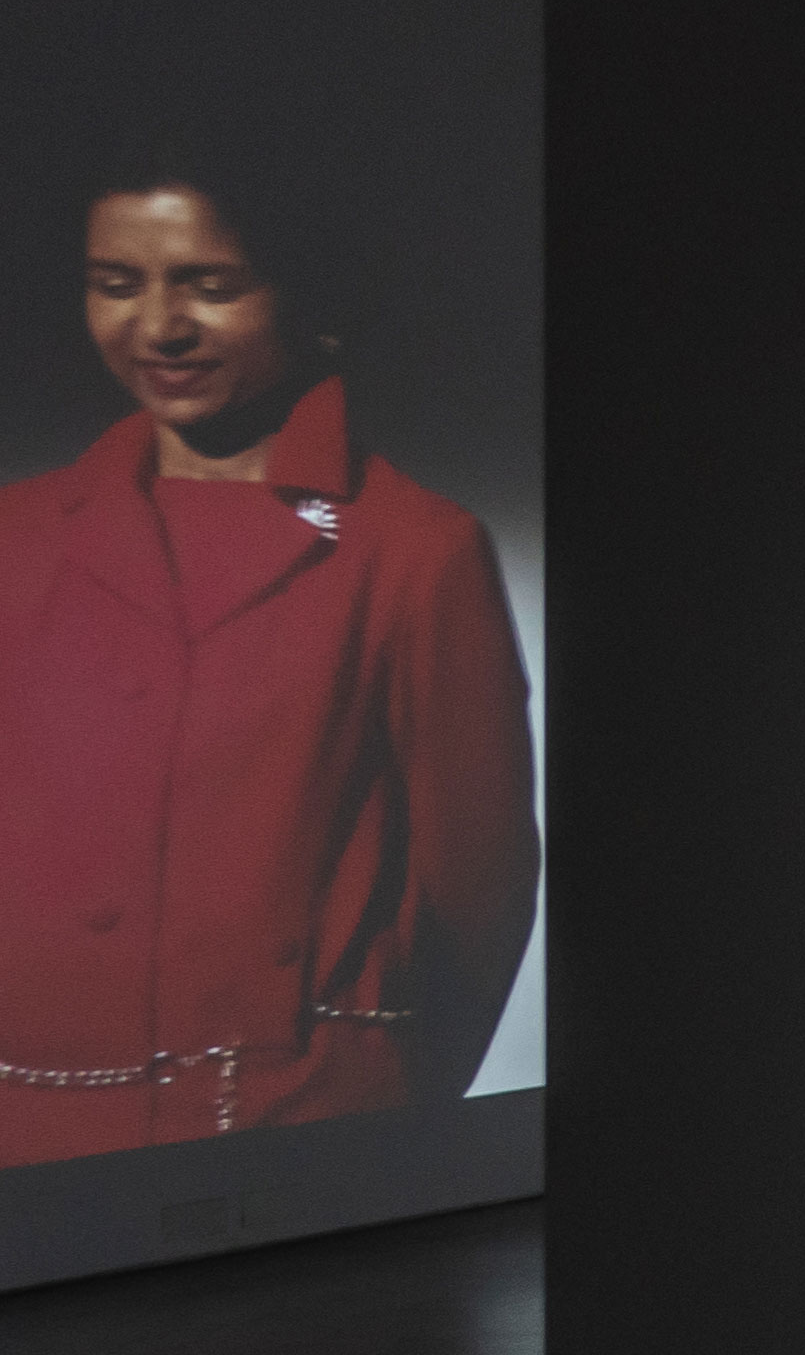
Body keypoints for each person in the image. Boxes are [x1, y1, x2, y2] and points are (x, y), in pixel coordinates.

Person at [0, 148, 538, 1162]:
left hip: (296, 1129)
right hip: (29, 1149)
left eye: (212, 285)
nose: (158, 327)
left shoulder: (414, 550)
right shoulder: (14, 540)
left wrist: (381, 1099)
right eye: (117, 283)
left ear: (303, 294)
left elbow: (481, 895)